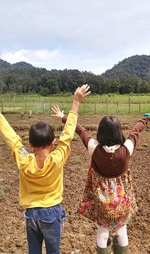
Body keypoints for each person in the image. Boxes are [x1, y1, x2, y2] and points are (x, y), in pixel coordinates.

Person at [0, 84, 90, 254]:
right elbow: (68, 134)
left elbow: (11, 139)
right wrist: (76, 101)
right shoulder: (57, 159)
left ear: (30, 144)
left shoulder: (24, 160)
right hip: (51, 212)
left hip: (31, 213)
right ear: (53, 142)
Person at [52, 107, 150, 254]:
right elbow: (136, 131)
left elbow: (80, 131)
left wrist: (64, 117)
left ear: (101, 132)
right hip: (122, 202)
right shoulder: (126, 149)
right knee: (122, 230)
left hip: (102, 202)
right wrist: (146, 118)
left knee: (102, 232)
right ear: (119, 132)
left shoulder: (94, 147)